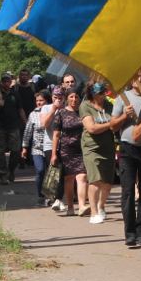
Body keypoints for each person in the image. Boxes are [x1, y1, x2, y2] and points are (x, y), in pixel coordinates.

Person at [114, 71, 141, 248]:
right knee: (128, 191)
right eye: (137, 76)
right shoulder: (123, 98)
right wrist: (124, 115)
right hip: (127, 147)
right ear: (132, 80)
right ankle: (129, 233)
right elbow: (112, 125)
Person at [81, 82, 128, 223]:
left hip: (108, 146)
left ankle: (101, 206)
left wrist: (122, 118)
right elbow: (92, 128)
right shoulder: (85, 106)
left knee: (107, 182)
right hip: (91, 148)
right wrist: (111, 124)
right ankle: (93, 212)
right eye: (99, 93)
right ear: (92, 93)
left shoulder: (109, 105)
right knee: (95, 180)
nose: (102, 95)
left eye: (103, 92)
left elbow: (116, 125)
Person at [51, 87, 89, 215]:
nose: (74, 99)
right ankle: (71, 208)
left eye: (76, 97)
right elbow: (56, 135)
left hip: (81, 149)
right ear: (67, 98)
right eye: (71, 96)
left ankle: (82, 205)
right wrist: (54, 154)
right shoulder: (61, 113)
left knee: (82, 176)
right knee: (69, 178)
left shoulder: (83, 112)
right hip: (66, 150)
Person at [22, 90, 54, 204]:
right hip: (37, 148)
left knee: (50, 172)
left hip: (50, 147)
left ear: (47, 101)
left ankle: (50, 195)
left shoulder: (53, 112)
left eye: (41, 100)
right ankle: (40, 194)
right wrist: (25, 147)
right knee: (40, 170)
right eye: (37, 101)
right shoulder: (33, 114)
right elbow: (28, 131)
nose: (39, 103)